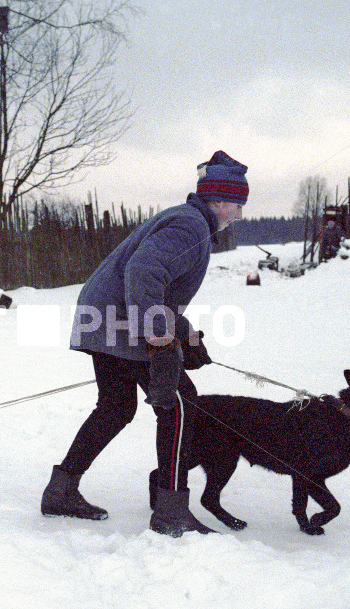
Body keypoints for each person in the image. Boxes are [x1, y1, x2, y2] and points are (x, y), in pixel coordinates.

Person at [40, 150, 249, 537]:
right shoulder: (190, 227)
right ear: (219, 200)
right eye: (238, 204)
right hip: (120, 320)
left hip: (106, 315)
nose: (239, 214)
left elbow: (157, 285)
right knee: (180, 405)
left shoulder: (187, 221)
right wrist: (158, 338)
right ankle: (171, 510)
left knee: (116, 407)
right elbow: (144, 271)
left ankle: (61, 490)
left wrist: (182, 331)